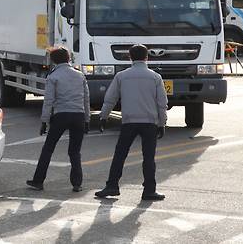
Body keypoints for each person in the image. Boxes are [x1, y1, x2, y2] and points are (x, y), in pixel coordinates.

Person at [95, 44, 168, 201]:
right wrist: (162, 123)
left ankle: (112, 186)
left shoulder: (121, 76)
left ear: (130, 57)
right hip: (149, 122)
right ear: (147, 57)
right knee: (148, 157)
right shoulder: (155, 77)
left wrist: (103, 116)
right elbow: (162, 103)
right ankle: (149, 190)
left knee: (120, 154)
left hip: (128, 121)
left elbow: (110, 98)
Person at [26, 46, 90, 192]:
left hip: (61, 115)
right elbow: (86, 99)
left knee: (48, 149)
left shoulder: (53, 76)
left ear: (53, 60)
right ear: (69, 58)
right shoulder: (79, 75)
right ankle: (77, 183)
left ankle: (38, 181)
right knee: (75, 151)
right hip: (78, 116)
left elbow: (49, 100)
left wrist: (44, 121)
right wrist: (87, 119)